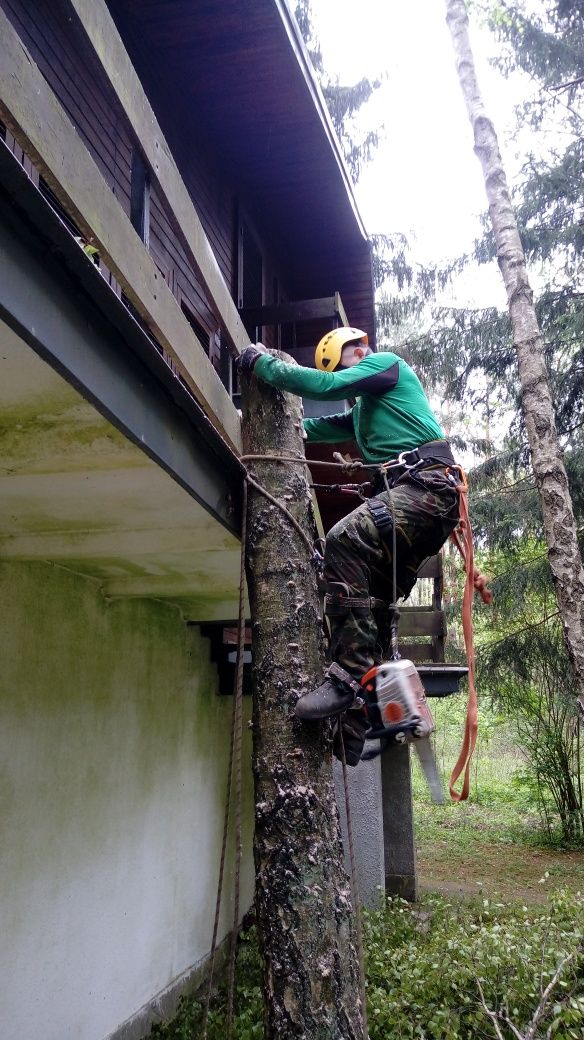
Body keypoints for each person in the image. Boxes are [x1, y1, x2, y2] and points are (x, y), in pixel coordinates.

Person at [239, 328, 460, 762]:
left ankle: (346, 679)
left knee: (345, 538)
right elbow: (312, 428)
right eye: (340, 367)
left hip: (429, 488)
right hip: (419, 499)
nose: (345, 372)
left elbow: (324, 386)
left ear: (358, 348)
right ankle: (355, 724)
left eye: (344, 362)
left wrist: (260, 364)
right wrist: (255, 423)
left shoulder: (386, 365)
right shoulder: (364, 414)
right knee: (373, 603)